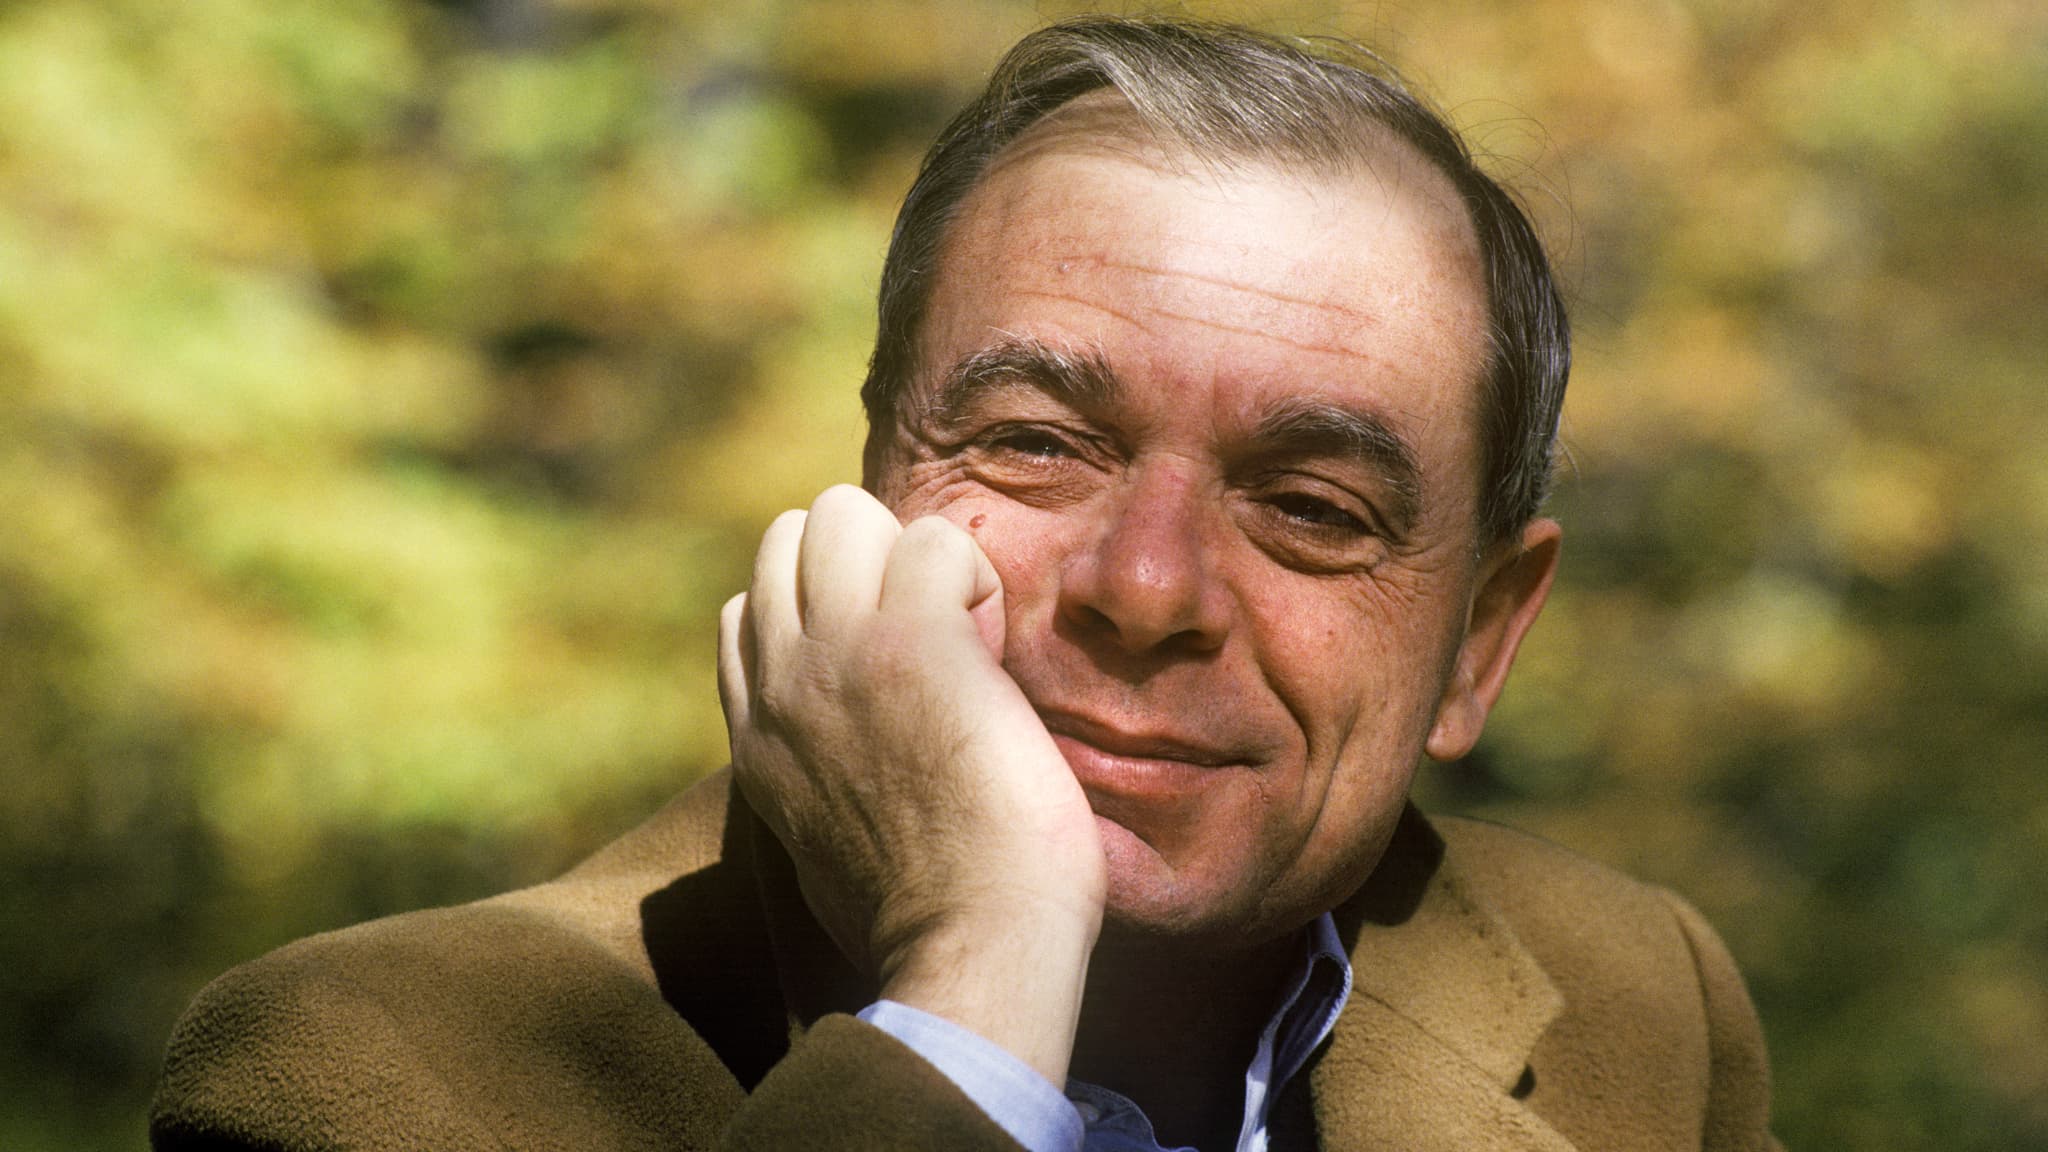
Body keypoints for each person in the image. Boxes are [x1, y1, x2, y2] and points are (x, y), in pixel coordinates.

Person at [151, 17, 1778, 1152]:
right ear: (874, 490)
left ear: (1480, 642)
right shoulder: (373, 1068)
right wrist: (977, 972)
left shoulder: (1645, 1008)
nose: (1148, 587)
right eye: (1039, 445)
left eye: (1309, 506)